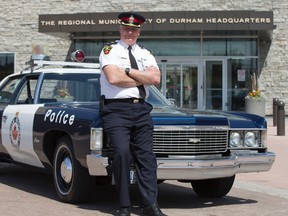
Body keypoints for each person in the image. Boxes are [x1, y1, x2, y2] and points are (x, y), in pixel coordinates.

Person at [99, 12, 167, 216]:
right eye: (127, 28)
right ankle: (124, 205)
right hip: (116, 110)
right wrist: (141, 77)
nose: (130, 32)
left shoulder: (145, 53)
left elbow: (155, 79)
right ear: (120, 29)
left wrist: (127, 71)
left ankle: (150, 205)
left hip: (142, 109)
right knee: (121, 153)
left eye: (134, 29)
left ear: (139, 31)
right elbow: (112, 78)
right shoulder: (109, 50)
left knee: (147, 158)